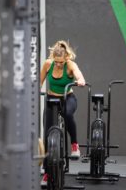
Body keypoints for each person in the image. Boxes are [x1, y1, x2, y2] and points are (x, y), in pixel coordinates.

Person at [40, 40, 85, 185]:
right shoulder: (48, 64)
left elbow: (79, 74)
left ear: (65, 58)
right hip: (51, 99)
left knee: (68, 114)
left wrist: (80, 80)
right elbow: (39, 82)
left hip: (68, 98)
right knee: (47, 133)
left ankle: (74, 145)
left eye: (61, 62)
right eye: (56, 62)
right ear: (53, 58)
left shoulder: (70, 64)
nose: (58, 64)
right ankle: (47, 172)